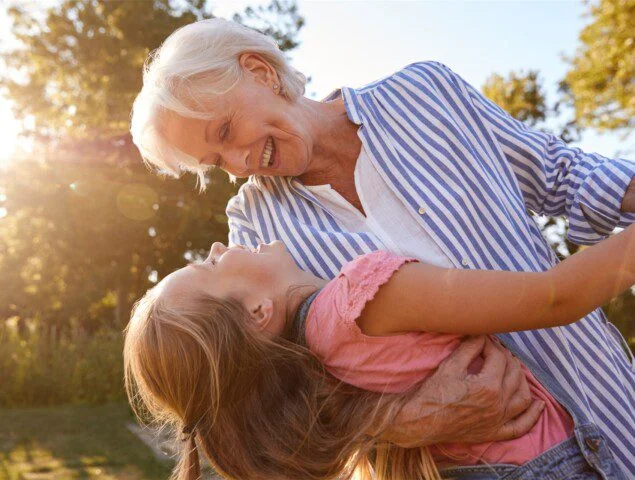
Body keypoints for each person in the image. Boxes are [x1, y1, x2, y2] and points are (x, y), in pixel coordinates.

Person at [129, 18, 635, 475]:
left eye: (225, 131)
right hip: (500, 464)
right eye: (216, 160)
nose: (238, 163)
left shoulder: (426, 93)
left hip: (605, 395)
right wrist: (397, 421)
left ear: (260, 71)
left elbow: (562, 175)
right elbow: (280, 399)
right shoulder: (256, 230)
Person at [123, 224, 635, 480]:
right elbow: (555, 296)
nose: (218, 248)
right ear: (257, 312)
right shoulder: (361, 294)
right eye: (208, 268)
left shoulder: (319, 364)